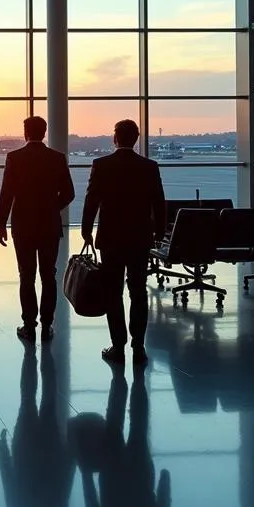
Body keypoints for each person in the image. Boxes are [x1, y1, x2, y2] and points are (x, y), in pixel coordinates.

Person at [73, 370, 171, 507]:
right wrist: (87, 475)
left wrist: (165, 481)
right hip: (112, 477)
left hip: (140, 476)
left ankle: (137, 378)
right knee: (114, 423)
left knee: (139, 425)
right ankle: (119, 377)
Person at [81, 119, 165, 367]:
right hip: (140, 238)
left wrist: (86, 231)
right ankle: (139, 347)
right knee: (138, 291)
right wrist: (159, 232)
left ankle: (118, 346)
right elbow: (158, 202)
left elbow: (91, 201)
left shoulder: (101, 165)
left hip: (111, 238)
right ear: (136, 138)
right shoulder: (149, 166)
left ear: (114, 138)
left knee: (113, 292)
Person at [0, 116, 75, 343]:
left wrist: (1, 224)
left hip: (23, 225)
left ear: (25, 133)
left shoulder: (14, 158)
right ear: (45, 132)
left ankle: (29, 325)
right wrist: (51, 208)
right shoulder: (57, 158)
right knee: (49, 276)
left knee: (26, 276)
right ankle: (47, 325)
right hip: (49, 225)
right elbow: (69, 193)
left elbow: (6, 194)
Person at [0, 344, 73, 507]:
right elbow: (7, 474)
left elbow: (66, 475)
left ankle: (42, 354)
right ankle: (31, 355)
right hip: (26, 448)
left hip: (50, 449)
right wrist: (2, 448)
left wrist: (70, 451)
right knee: (27, 399)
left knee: (47, 400)